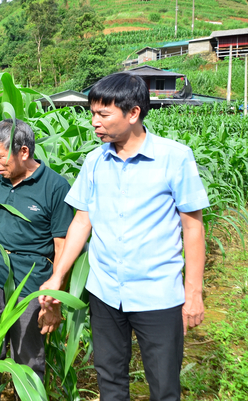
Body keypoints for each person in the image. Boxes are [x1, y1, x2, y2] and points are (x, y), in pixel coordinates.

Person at [39, 72, 209, 401]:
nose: (94, 123)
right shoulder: (94, 161)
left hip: (157, 294)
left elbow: (193, 227)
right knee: (110, 380)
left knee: (163, 387)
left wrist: (194, 293)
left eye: (103, 114)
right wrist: (57, 276)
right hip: (105, 293)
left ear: (133, 114)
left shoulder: (174, 158)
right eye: (92, 114)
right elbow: (81, 221)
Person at [0, 119, 74, 385]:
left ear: (24, 152)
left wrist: (53, 300)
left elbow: (62, 246)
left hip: (30, 287)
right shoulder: (0, 182)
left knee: (27, 360)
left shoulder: (55, 187)